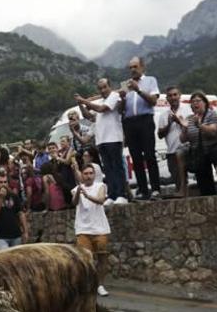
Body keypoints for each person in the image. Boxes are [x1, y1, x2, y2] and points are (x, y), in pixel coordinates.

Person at [75, 79, 128, 205]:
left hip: (113, 138)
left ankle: (122, 194)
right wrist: (80, 104)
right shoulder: (99, 100)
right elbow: (88, 115)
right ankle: (112, 195)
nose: (103, 90)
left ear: (110, 86)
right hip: (101, 140)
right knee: (108, 169)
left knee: (117, 167)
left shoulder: (114, 97)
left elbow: (102, 109)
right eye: (100, 88)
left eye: (105, 87)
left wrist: (84, 101)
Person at [120, 57, 161, 200]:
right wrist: (122, 99)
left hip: (145, 120)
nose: (132, 70)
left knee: (149, 155)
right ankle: (143, 190)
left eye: (135, 66)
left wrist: (138, 90)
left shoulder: (151, 80)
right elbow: (121, 110)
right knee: (136, 158)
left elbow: (153, 101)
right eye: (130, 67)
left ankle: (156, 189)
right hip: (130, 123)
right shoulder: (126, 85)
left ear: (142, 67)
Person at [72, 164, 111, 297]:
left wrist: (88, 196)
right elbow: (74, 203)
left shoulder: (101, 186)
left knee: (102, 258)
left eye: (90, 173)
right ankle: (88, 285)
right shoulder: (76, 189)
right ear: (82, 175)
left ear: (94, 175)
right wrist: (78, 192)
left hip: (100, 228)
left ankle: (100, 285)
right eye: (86, 173)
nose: (88, 176)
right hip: (83, 229)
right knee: (85, 259)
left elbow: (100, 200)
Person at [182, 92, 217, 196]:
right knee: (204, 183)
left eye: (198, 101)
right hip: (198, 152)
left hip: (213, 148)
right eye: (193, 102)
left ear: (205, 103)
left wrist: (200, 125)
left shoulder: (211, 114)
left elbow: (213, 131)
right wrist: (184, 128)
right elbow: (183, 139)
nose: (195, 104)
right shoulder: (189, 118)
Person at [157, 86, 190, 197]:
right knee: (177, 179)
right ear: (167, 98)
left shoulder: (188, 109)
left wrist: (179, 121)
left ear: (179, 95)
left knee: (191, 177)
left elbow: (193, 127)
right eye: (170, 95)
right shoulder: (163, 115)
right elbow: (160, 135)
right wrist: (170, 123)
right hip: (171, 151)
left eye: (175, 94)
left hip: (188, 148)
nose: (173, 97)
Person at [0, 173, 28, 250]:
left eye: (5, 182)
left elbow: (21, 214)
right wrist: (1, 199)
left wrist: (25, 231)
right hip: (1, 237)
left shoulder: (14, 196)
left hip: (16, 235)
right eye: (1, 182)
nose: (3, 184)